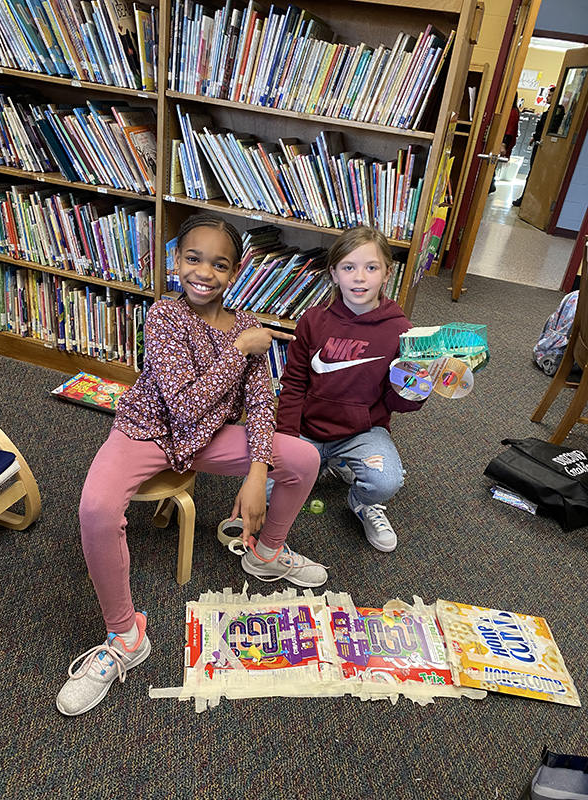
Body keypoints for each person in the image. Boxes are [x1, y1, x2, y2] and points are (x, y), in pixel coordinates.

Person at [56, 212, 327, 716]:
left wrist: (257, 470)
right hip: (149, 429)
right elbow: (182, 404)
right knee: (95, 509)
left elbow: (261, 403)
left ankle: (266, 554)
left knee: (304, 457)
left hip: (208, 438)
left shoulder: (245, 325)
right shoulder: (164, 315)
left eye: (219, 264)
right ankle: (125, 637)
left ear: (236, 270)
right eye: (193, 258)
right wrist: (237, 350)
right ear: (176, 261)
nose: (204, 272)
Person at [272, 226, 425, 554]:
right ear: (334, 273)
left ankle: (361, 501)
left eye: (371, 267)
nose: (359, 277)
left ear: (387, 272)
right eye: (348, 267)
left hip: (361, 431)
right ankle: (328, 463)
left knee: (386, 481)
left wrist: (418, 388)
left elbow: (395, 401)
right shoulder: (313, 321)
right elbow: (294, 383)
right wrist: (285, 438)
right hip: (307, 430)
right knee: (262, 491)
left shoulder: (402, 331)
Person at [512, 85, 563, 206]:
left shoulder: (557, 110)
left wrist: (537, 136)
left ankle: (528, 201)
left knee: (536, 174)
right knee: (532, 173)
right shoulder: (550, 110)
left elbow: (550, 128)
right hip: (539, 143)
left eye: (550, 95)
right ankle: (525, 199)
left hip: (546, 147)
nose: (547, 97)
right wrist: (535, 136)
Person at [489, 94, 519, 194]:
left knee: (492, 164)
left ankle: (490, 185)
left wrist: (503, 144)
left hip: (502, 142)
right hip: (498, 141)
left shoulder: (512, 112)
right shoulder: (507, 111)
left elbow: (510, 131)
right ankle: (490, 185)